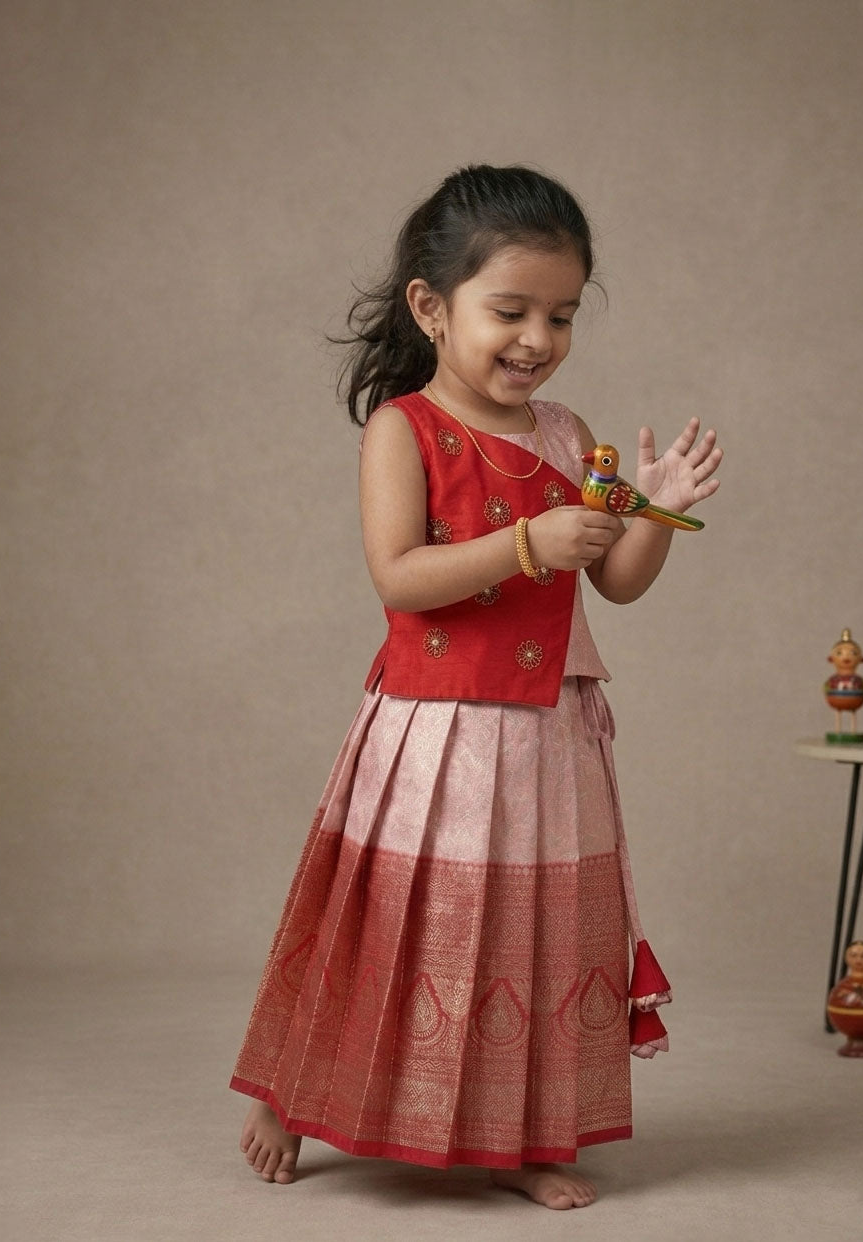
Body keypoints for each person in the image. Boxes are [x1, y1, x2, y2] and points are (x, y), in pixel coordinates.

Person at [232, 164, 722, 1209]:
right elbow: (400, 578)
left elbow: (619, 583)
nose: (536, 338)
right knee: (398, 924)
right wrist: (528, 544)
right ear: (430, 306)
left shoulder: (569, 434)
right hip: (436, 731)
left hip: (550, 734)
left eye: (561, 314)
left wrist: (657, 512)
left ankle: (527, 1134)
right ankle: (291, 1093)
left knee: (529, 931)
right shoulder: (401, 430)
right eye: (509, 310)